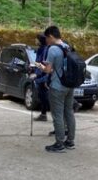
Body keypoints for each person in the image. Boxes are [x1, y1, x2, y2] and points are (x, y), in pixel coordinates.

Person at [38, 25, 75, 153]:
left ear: (51, 36)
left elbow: (48, 70)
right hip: (70, 85)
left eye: (47, 38)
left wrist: (40, 67)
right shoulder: (67, 46)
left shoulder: (53, 49)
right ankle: (70, 141)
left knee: (57, 114)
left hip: (57, 86)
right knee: (69, 112)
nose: (46, 41)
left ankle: (59, 143)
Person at [32, 33, 50, 121]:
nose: (35, 40)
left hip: (43, 76)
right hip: (41, 75)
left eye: (36, 39)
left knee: (44, 96)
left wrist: (37, 74)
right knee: (43, 96)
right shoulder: (41, 49)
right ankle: (43, 114)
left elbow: (42, 64)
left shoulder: (44, 50)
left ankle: (44, 114)